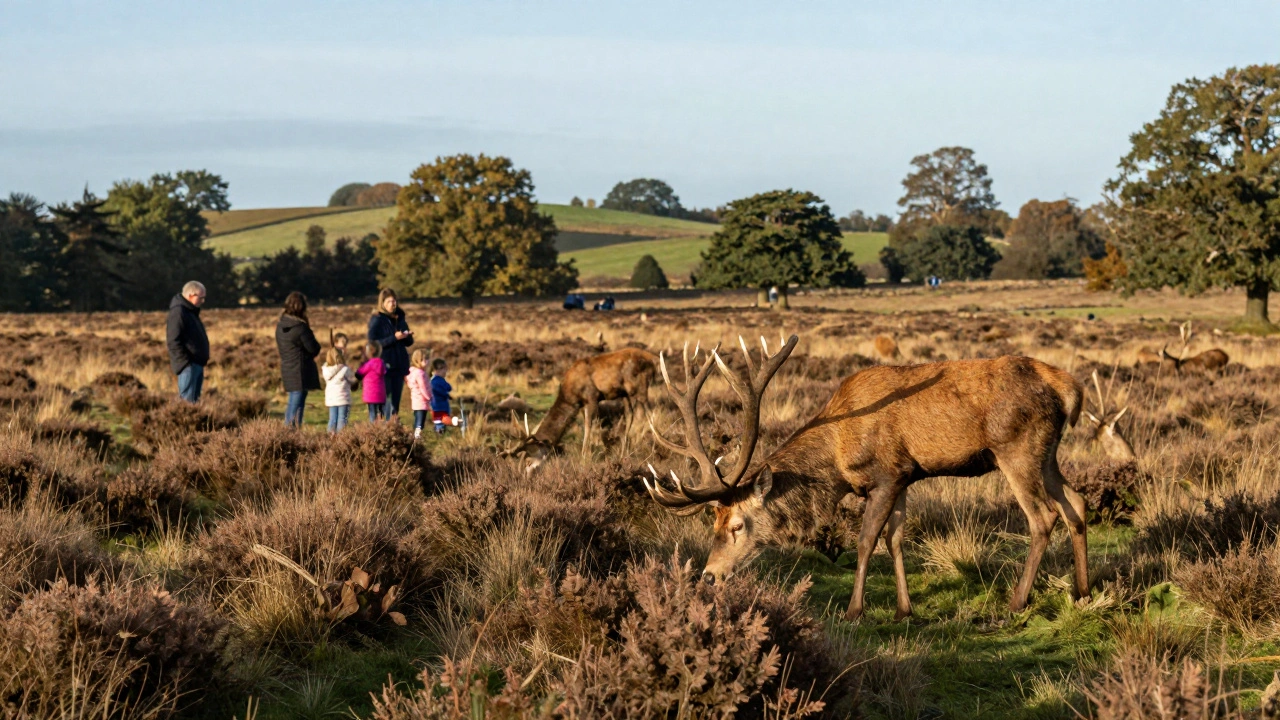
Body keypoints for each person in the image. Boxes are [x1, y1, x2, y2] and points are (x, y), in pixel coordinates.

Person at [275, 291, 321, 428]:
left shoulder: (281, 325)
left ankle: (291, 430)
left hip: (288, 367)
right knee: (297, 403)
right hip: (300, 370)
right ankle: (291, 432)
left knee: (294, 401)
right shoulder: (300, 327)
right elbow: (314, 348)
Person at [367, 288, 414, 421]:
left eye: (394, 301)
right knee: (383, 399)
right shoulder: (377, 319)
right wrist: (394, 338)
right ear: (382, 303)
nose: (393, 304)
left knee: (395, 402)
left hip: (399, 365)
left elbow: (409, 343)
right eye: (389, 301)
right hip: (384, 365)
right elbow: (372, 343)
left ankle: (392, 427)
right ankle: (380, 427)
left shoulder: (400, 318)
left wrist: (406, 336)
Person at [166, 280, 209, 403]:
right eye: (201, 297)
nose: (203, 301)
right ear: (191, 295)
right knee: (187, 404)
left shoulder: (190, 311)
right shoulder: (179, 312)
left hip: (196, 364)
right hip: (188, 365)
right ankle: (185, 423)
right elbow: (173, 341)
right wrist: (185, 363)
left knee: (194, 403)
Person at [322, 347, 357, 433]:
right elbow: (352, 380)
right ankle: (341, 439)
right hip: (343, 399)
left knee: (332, 419)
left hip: (331, 399)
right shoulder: (345, 369)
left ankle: (330, 437)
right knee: (342, 419)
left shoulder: (325, 370)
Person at [357, 341, 388, 421]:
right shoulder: (382, 363)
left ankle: (373, 430)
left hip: (370, 395)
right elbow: (385, 372)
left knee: (372, 414)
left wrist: (361, 364)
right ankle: (381, 428)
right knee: (381, 414)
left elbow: (359, 373)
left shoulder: (368, 365)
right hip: (381, 395)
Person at [405, 349, 432, 439]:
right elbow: (423, 387)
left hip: (416, 401)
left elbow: (409, 382)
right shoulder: (420, 374)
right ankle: (417, 436)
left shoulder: (412, 372)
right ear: (418, 361)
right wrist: (429, 397)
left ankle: (415, 435)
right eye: (425, 359)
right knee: (420, 421)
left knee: (418, 418)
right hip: (422, 401)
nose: (427, 361)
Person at [429, 358, 454, 434]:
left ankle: (439, 429)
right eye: (444, 369)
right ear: (438, 370)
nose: (446, 371)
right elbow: (441, 389)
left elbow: (448, 387)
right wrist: (446, 394)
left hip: (440, 405)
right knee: (440, 420)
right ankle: (439, 431)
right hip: (438, 406)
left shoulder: (439, 379)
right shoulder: (435, 381)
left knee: (441, 419)